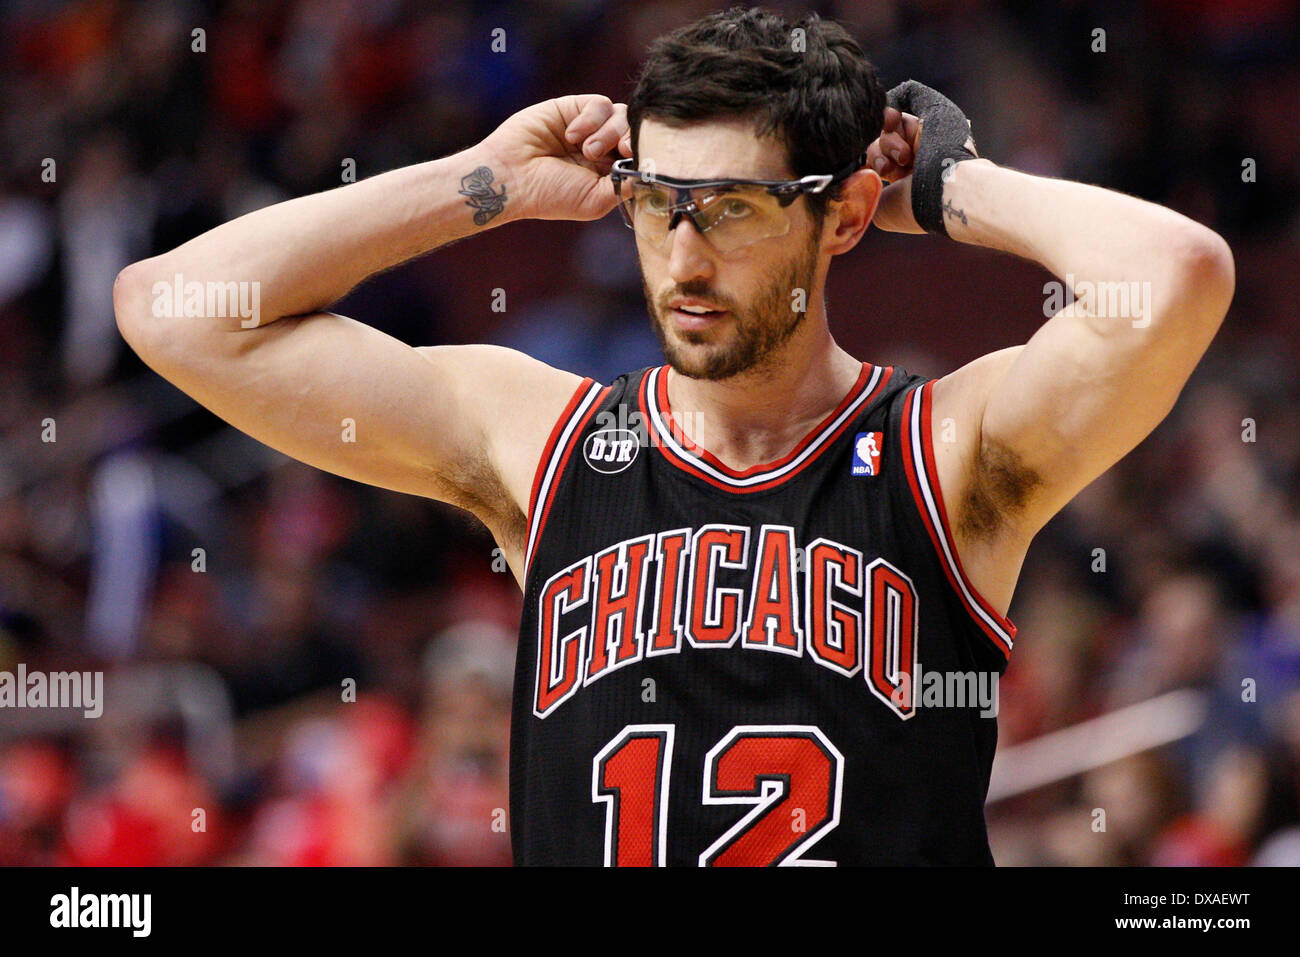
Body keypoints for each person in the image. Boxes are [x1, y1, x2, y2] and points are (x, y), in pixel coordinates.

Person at [112, 7, 1234, 865]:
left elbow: (1174, 275)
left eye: (734, 210)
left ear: (842, 214)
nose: (684, 262)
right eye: (659, 202)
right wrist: (483, 185)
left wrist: (951, 182)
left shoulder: (946, 452)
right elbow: (175, 309)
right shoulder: (539, 441)